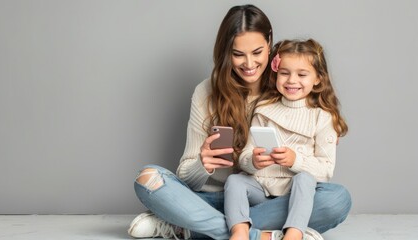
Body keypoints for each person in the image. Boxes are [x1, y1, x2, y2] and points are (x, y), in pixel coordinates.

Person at [128, 4, 351, 240]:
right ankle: (261, 236)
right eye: (238, 54)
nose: (249, 64)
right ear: (226, 52)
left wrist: (329, 126)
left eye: (257, 52)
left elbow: (318, 94)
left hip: (274, 198)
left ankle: (188, 227)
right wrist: (203, 164)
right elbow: (185, 178)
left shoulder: (285, 85)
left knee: (336, 199)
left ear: (269, 46)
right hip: (215, 197)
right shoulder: (206, 93)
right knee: (147, 178)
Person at [224, 38, 348, 240]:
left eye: (302, 74)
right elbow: (245, 155)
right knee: (235, 181)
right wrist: (252, 161)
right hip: (261, 189)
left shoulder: (323, 118)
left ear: (318, 78)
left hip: (295, 194)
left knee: (306, 179)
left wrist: (295, 161)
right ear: (275, 75)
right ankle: (239, 232)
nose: (291, 80)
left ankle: (294, 233)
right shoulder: (264, 110)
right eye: (284, 73)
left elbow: (326, 170)